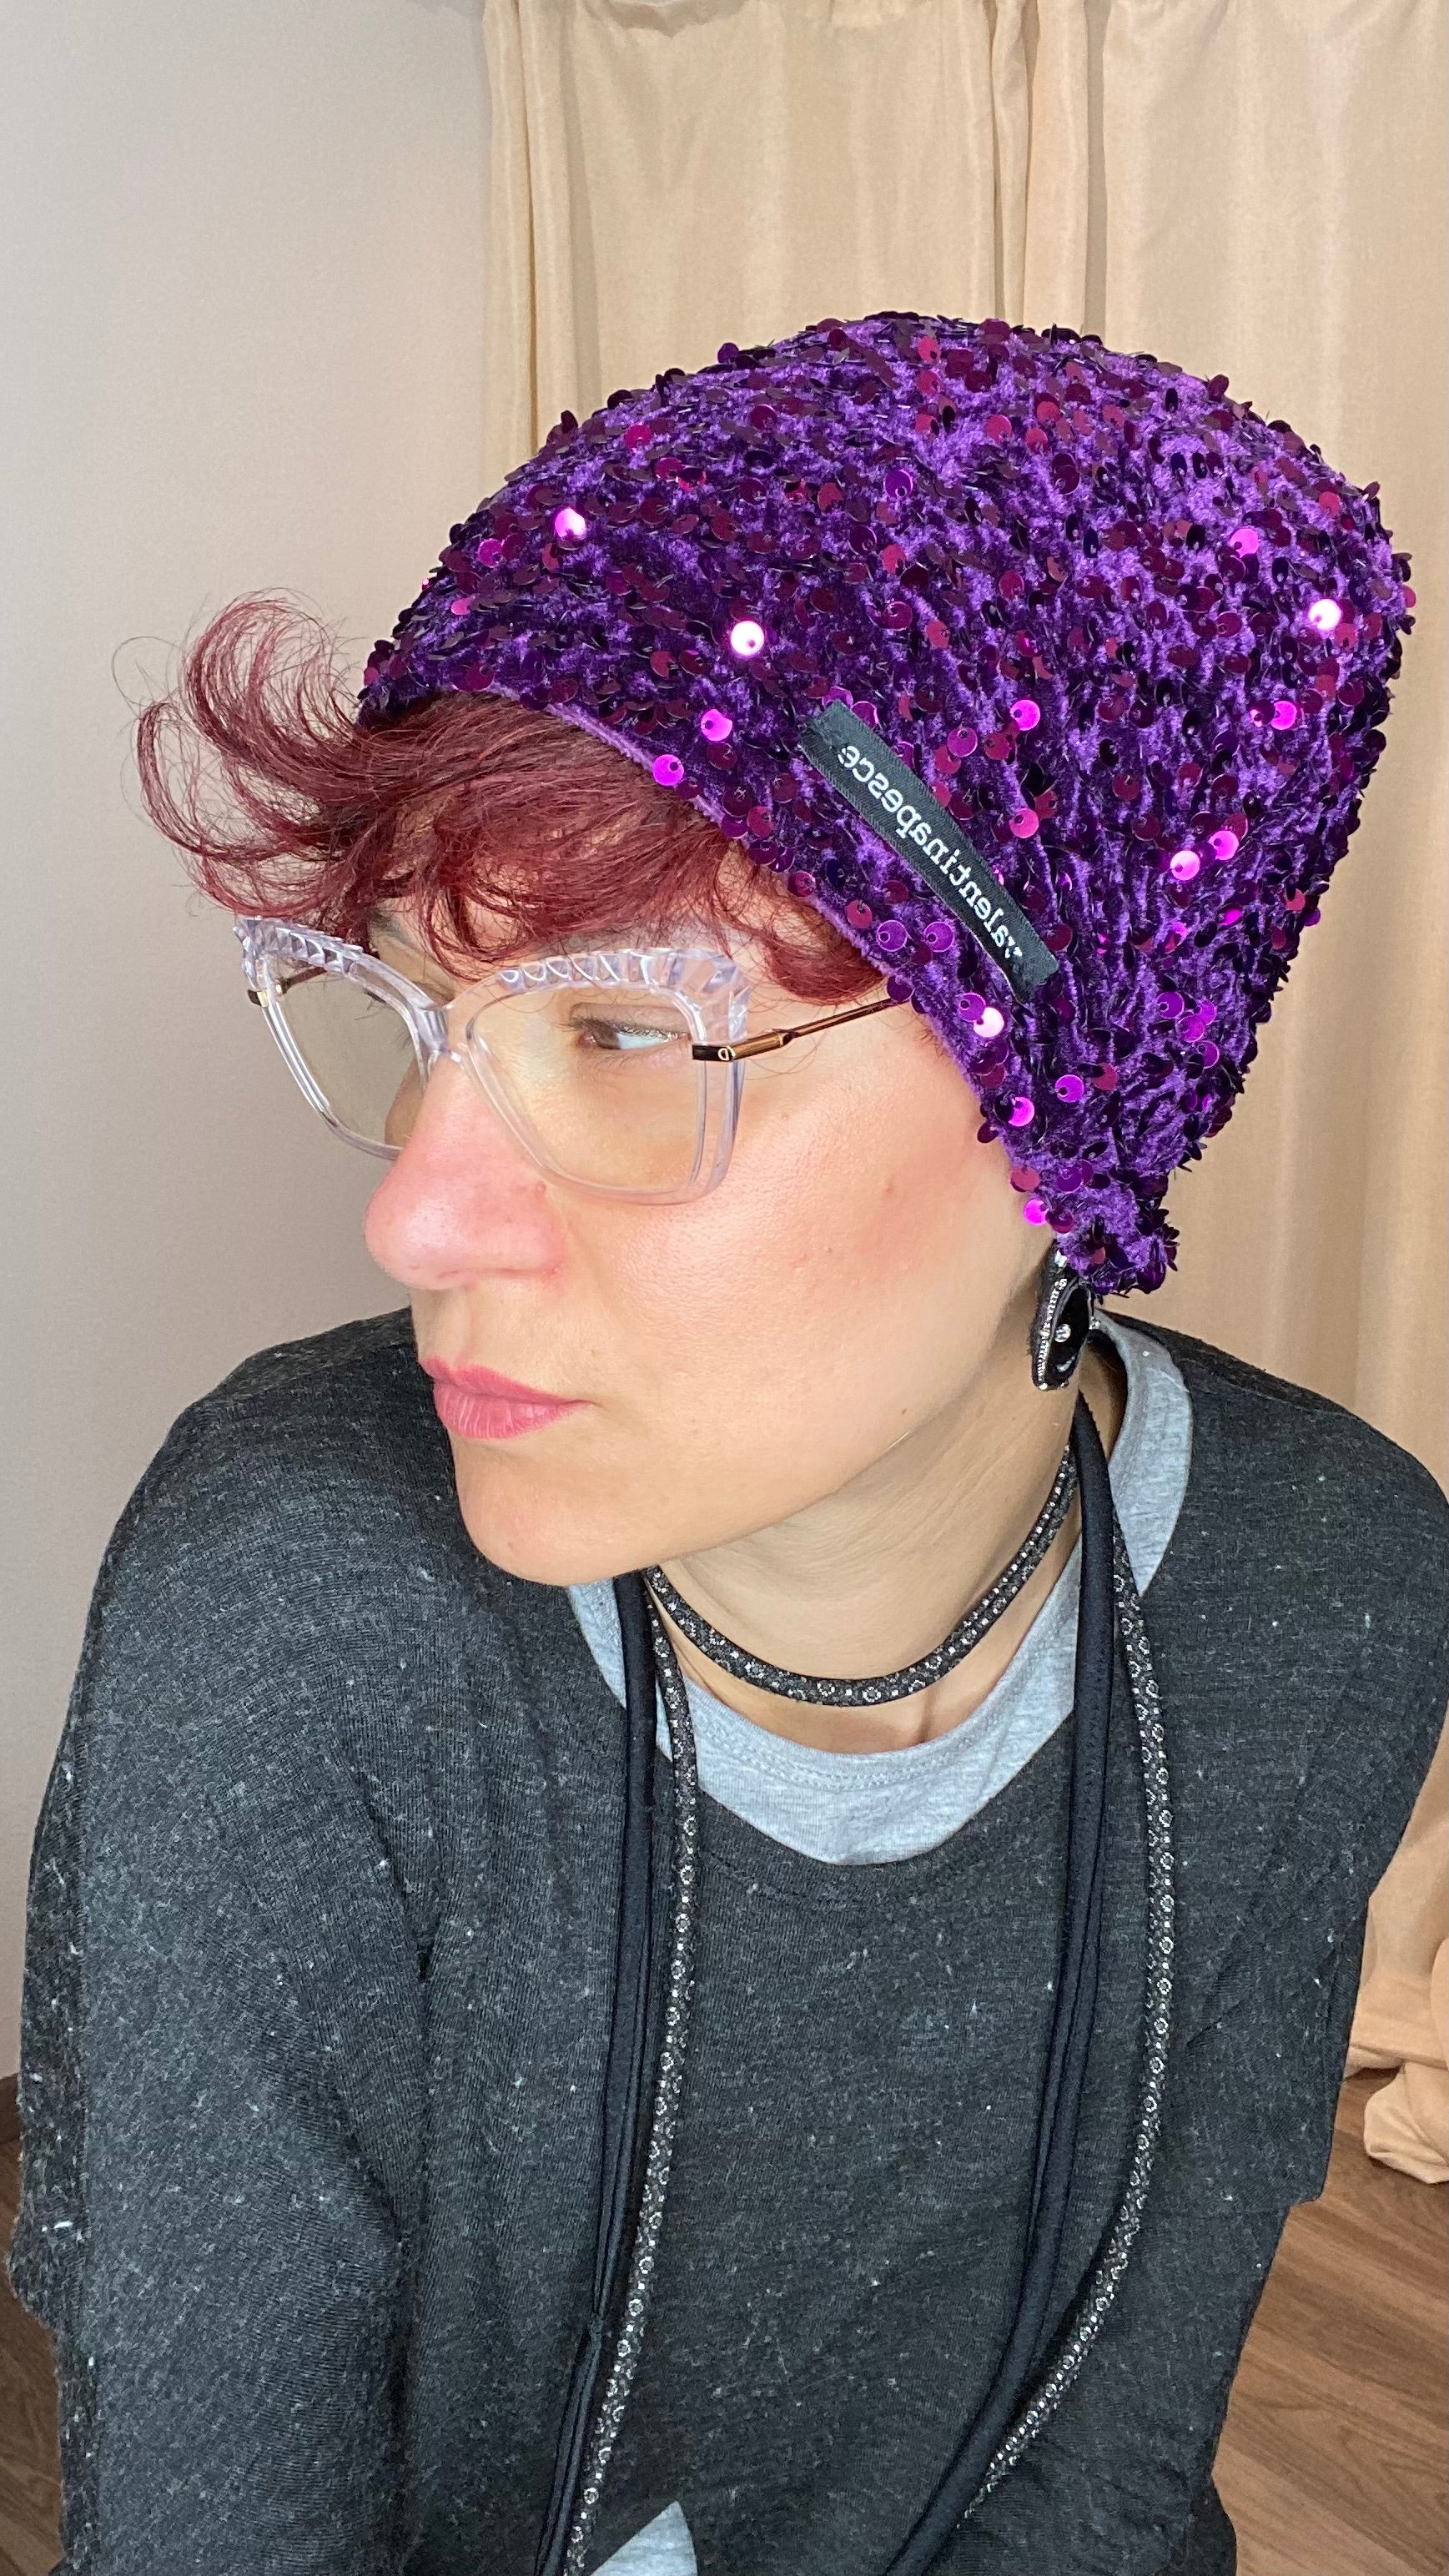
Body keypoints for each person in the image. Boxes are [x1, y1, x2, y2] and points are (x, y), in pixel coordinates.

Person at [9, 309, 1446, 2576]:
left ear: (1072, 1118)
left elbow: (1107, 2460)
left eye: (619, 1033)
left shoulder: (1333, 1582)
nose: (413, 1215)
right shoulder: (295, 1585)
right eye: (419, 1017)